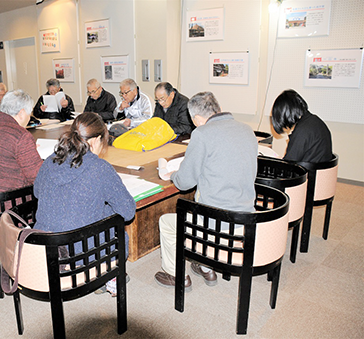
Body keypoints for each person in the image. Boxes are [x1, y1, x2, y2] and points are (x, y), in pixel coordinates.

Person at [154, 91, 257, 290]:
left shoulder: (202, 133)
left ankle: (176, 275)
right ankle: (205, 266)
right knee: (205, 195)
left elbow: (184, 183)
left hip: (219, 225)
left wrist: (173, 174)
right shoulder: (246, 129)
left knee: (167, 222)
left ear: (197, 119)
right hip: (246, 219)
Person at [33, 112, 136, 296]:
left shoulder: (50, 160)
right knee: (118, 229)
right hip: (79, 252)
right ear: (96, 140)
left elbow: (37, 192)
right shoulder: (100, 168)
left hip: (45, 246)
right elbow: (128, 212)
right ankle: (105, 274)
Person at [271, 89, 332, 163]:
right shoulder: (315, 121)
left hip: (308, 173)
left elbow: (289, 165)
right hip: (317, 171)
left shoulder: (302, 131)